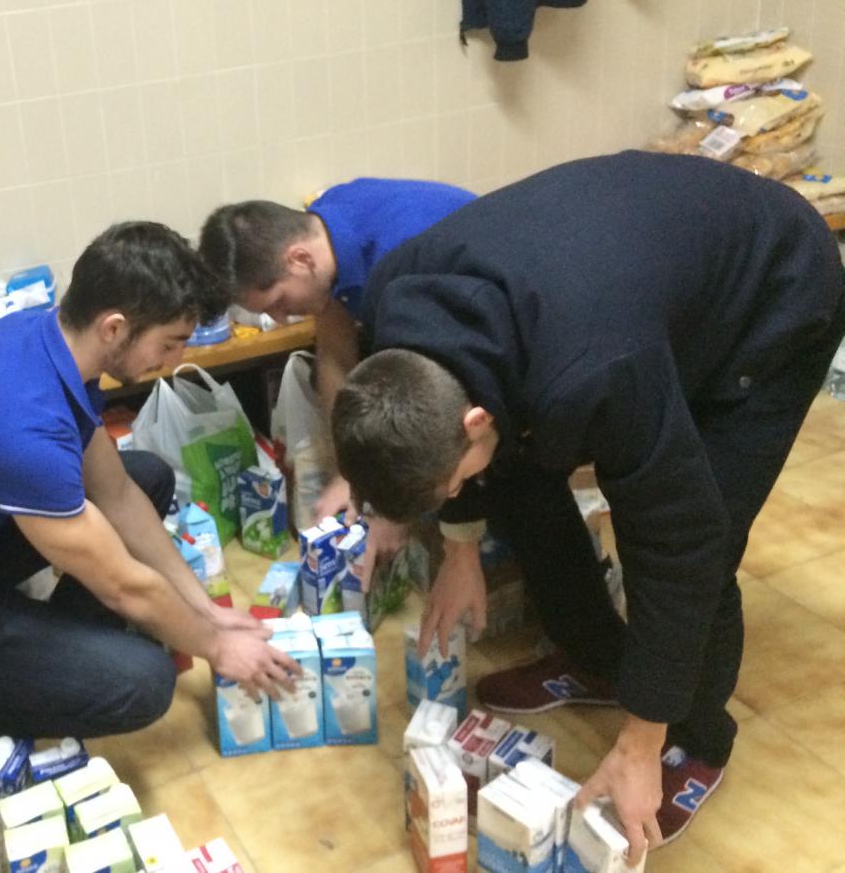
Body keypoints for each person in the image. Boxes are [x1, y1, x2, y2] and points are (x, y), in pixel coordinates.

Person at [329, 151, 845, 861]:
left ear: (475, 420)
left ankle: (694, 736)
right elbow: (479, 458)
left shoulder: (597, 368)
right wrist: (459, 545)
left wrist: (639, 740)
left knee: (702, 530)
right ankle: (597, 655)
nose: (455, 494)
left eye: (449, 484)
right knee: (516, 479)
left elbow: (681, 544)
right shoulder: (395, 307)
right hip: (634, 274)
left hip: (773, 292)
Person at [0, 222, 298, 763]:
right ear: (115, 328)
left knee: (146, 475)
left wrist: (206, 611)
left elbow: (118, 494)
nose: (173, 360)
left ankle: (50, 655)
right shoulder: (25, 430)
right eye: (169, 343)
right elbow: (125, 588)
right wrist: (217, 646)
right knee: (145, 682)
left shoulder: (48, 340)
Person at [198, 178, 474, 531]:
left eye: (280, 302)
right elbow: (334, 357)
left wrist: (390, 511)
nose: (282, 318)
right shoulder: (322, 233)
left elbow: (429, 394)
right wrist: (349, 475)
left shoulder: (398, 258)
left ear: (299, 259)